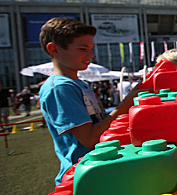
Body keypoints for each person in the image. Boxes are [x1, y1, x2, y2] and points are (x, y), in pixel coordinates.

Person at [38, 17, 143, 184]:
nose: (90, 55)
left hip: (97, 169)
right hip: (84, 176)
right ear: (54, 49)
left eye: (91, 48)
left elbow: (98, 121)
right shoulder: (59, 88)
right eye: (82, 48)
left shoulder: (79, 84)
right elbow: (89, 138)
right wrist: (126, 104)